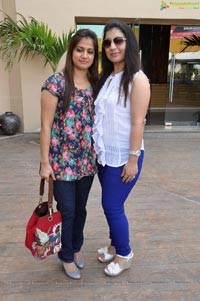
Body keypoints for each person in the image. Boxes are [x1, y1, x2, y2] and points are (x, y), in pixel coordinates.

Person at [39, 29, 99, 280]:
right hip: (62, 162)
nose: (84, 55)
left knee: (82, 209)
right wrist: (44, 163)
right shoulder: (56, 83)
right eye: (80, 49)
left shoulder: (97, 84)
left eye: (90, 51)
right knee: (69, 210)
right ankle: (65, 255)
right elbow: (45, 126)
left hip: (86, 160)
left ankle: (75, 248)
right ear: (71, 50)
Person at [93, 19, 150, 277]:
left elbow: (139, 121)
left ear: (129, 42)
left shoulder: (137, 79)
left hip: (125, 156)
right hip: (105, 156)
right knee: (111, 204)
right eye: (107, 42)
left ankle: (124, 253)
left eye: (118, 40)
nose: (112, 46)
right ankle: (114, 243)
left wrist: (132, 159)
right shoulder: (108, 78)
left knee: (112, 205)